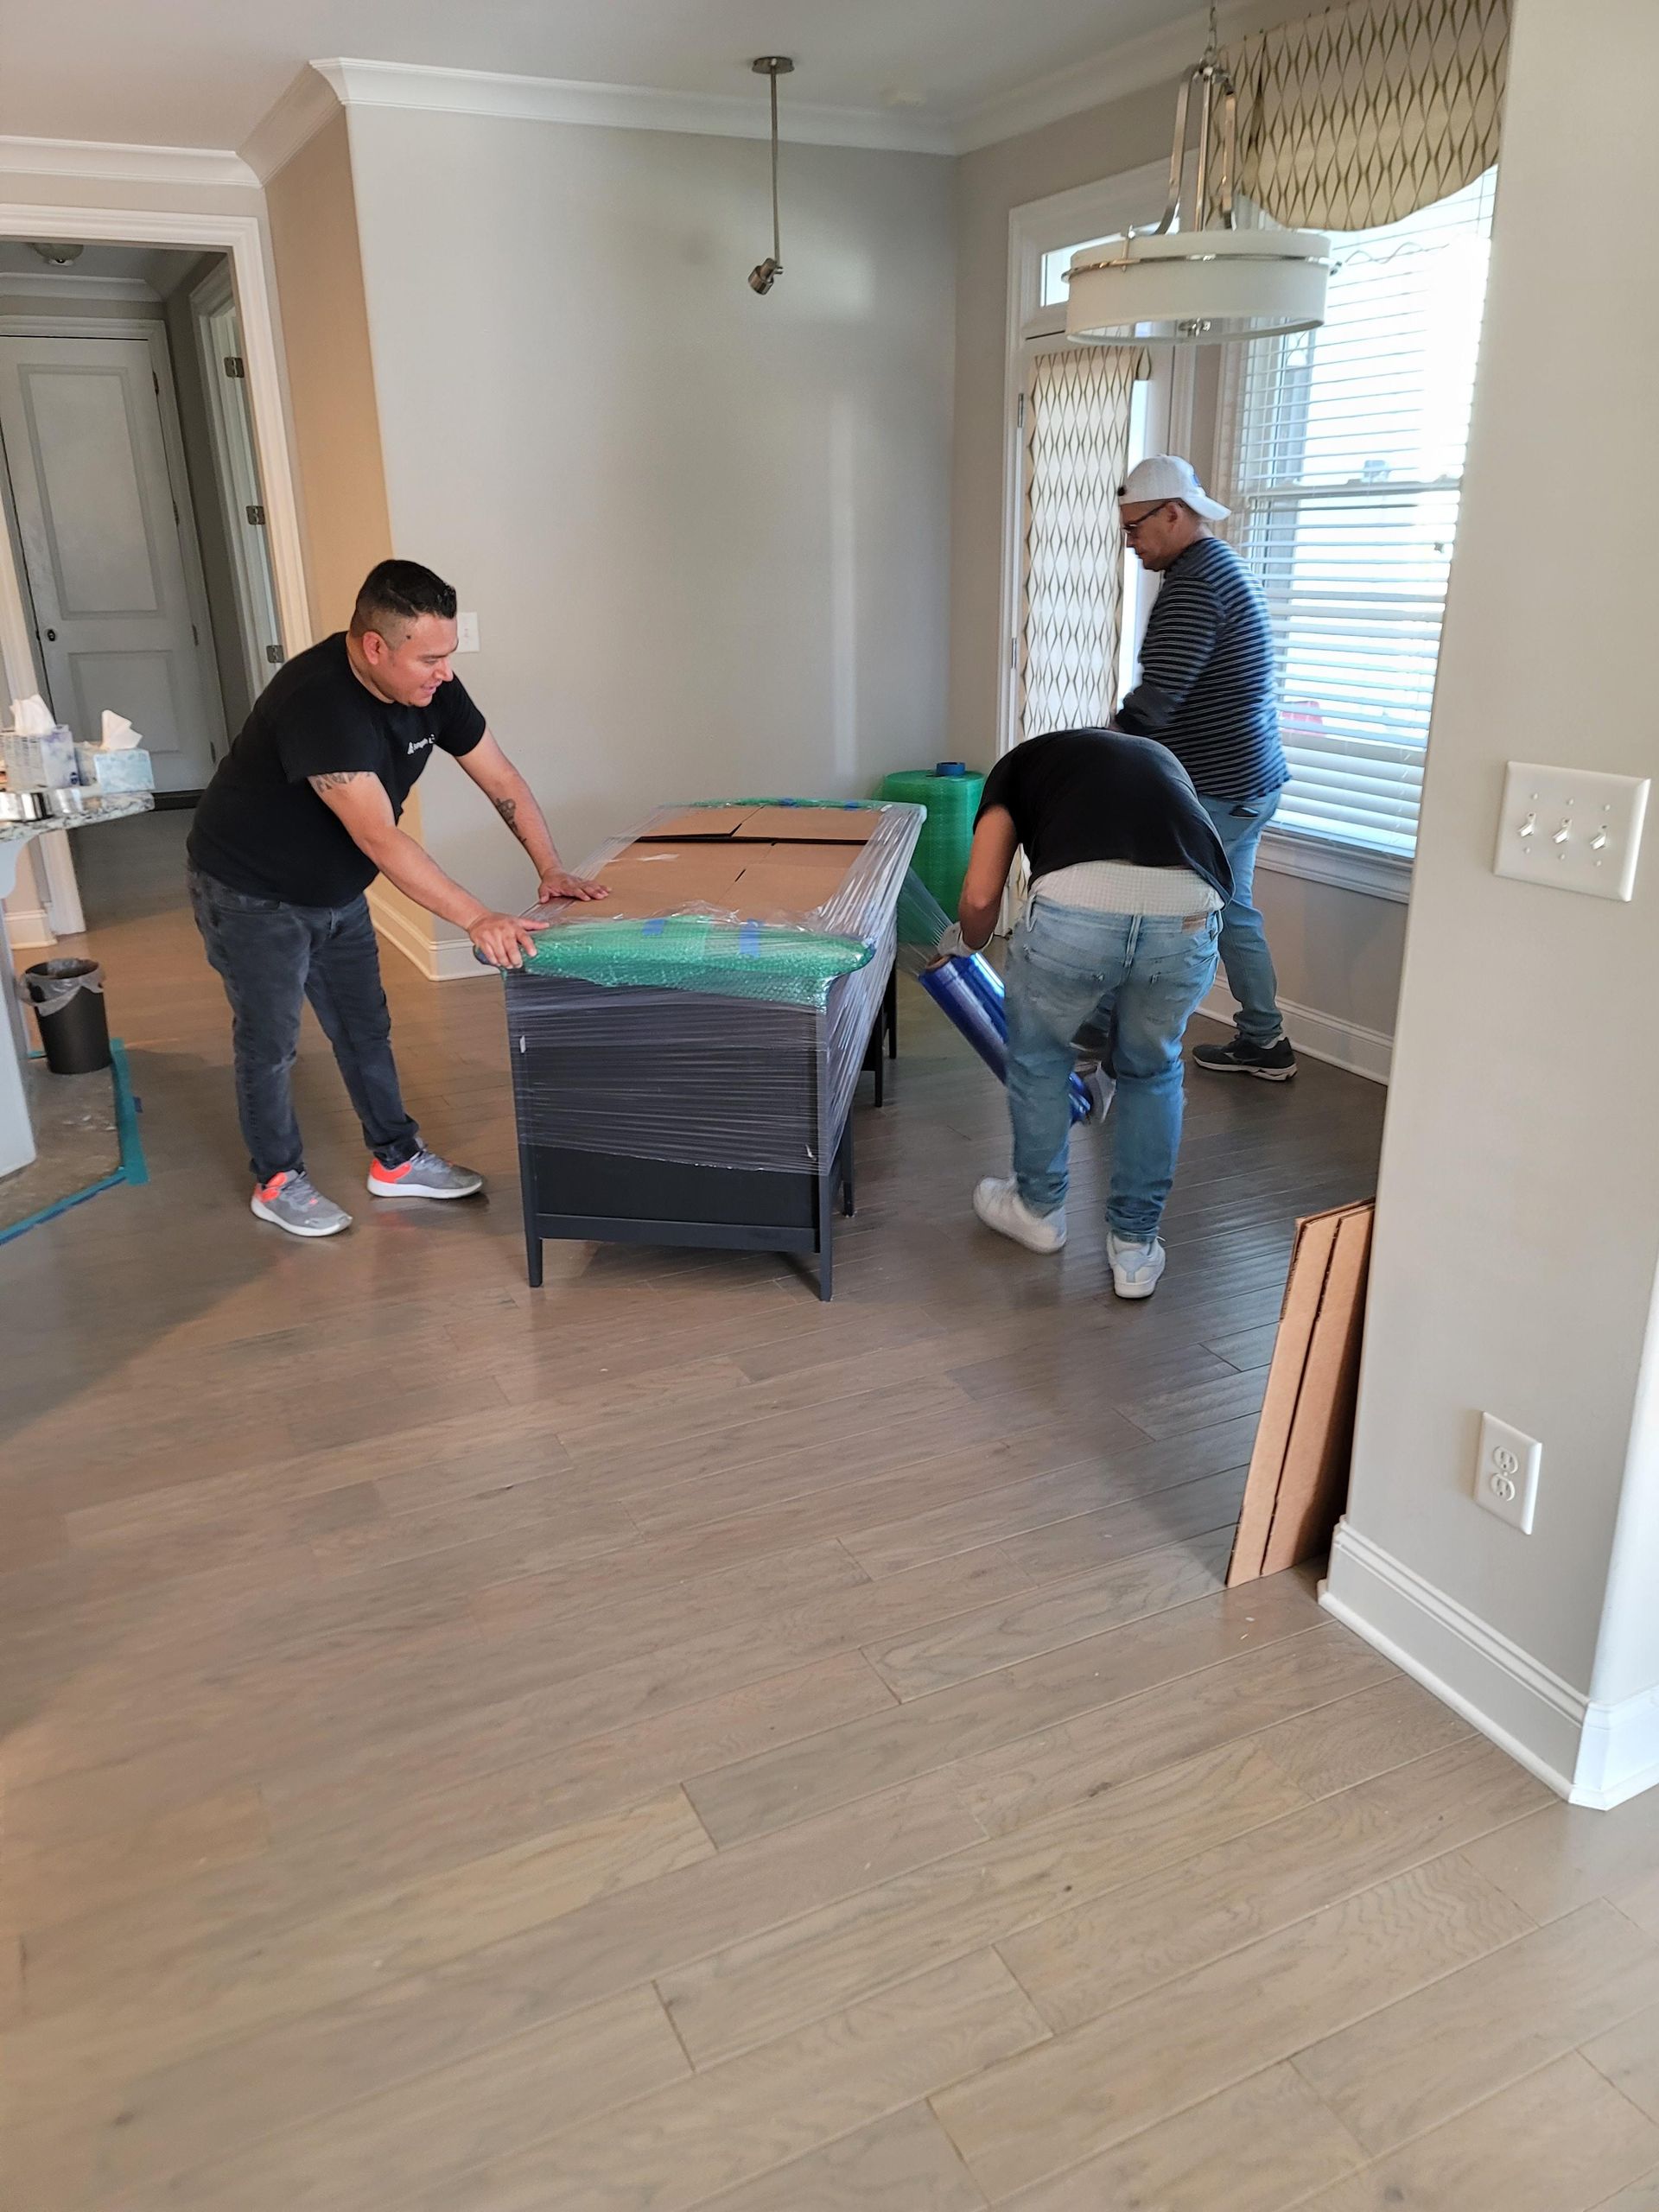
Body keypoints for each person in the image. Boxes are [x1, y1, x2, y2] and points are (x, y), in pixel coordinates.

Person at [187, 558, 606, 1239]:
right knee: (271, 1042)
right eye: (430, 659)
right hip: (252, 892)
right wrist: (476, 917)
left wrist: (551, 867)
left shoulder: (434, 688)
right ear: (375, 647)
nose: (445, 673)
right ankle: (277, 1179)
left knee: (364, 1028)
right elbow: (379, 837)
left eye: (449, 655)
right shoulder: (319, 704)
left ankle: (397, 1159)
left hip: (337, 887)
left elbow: (500, 777)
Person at [944, 727, 1232, 1300]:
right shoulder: (1160, 757)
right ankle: (1135, 1250)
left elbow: (980, 897)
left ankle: (1038, 1210)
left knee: (1040, 1058)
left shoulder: (1017, 766)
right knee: (1154, 1068)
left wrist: (963, 948)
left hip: (1077, 910)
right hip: (1190, 912)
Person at [1115, 454, 1296, 1082]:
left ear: (1173, 513)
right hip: (1250, 781)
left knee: (1160, 912)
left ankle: (1134, 1051)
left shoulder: (1196, 584)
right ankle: (1265, 1040)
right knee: (1232, 910)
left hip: (1220, 789)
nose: (1130, 542)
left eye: (1135, 528)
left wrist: (1099, 751)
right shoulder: (1218, 566)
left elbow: (1157, 699)